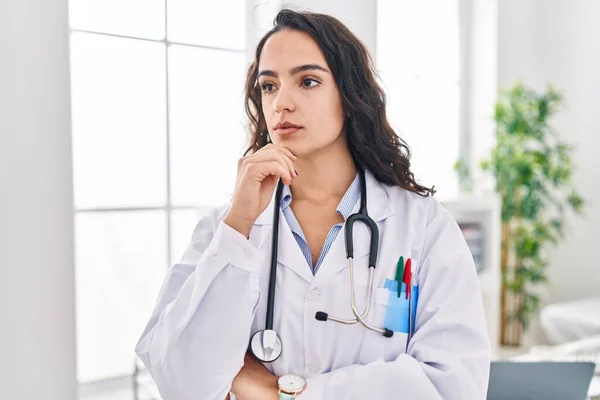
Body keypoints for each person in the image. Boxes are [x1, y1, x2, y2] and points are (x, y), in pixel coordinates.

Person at [135, 8, 491, 400]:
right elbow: (182, 383)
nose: (281, 103)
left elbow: (453, 385)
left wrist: (282, 394)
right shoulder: (228, 227)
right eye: (268, 86)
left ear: (350, 95)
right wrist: (237, 227)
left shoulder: (423, 226)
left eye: (307, 81)